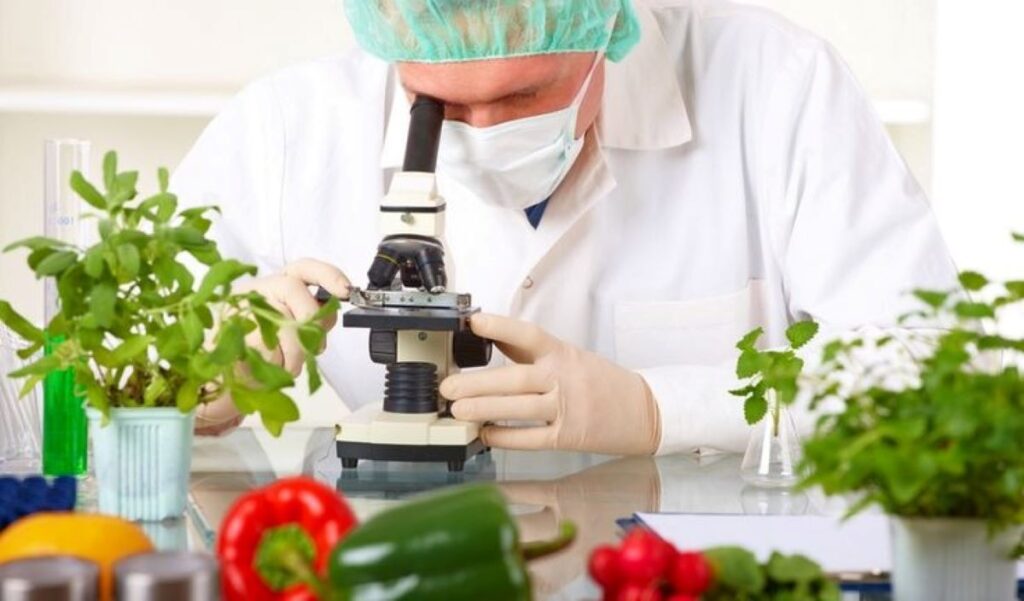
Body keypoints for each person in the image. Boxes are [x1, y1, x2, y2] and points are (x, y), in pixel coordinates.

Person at [172, 0, 957, 454]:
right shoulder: (286, 129)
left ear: (603, 25)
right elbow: (124, 360)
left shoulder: (779, 90)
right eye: (435, 104)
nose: (479, 129)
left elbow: (931, 373)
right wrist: (202, 385)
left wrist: (658, 407)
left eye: (520, 99)